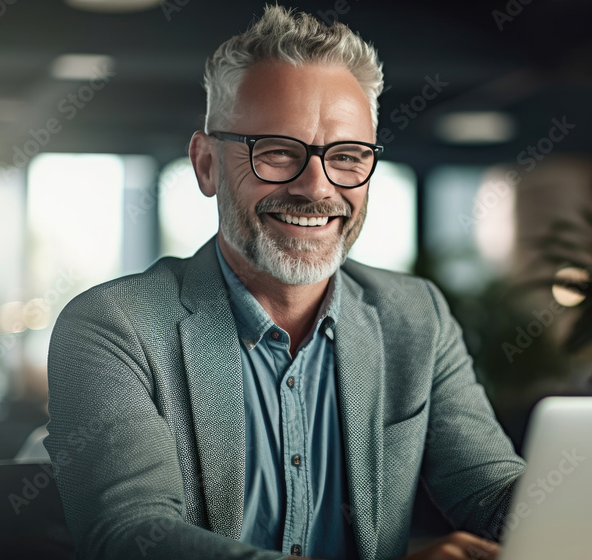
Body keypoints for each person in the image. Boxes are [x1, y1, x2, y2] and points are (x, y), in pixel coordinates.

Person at [42, 5, 526, 560]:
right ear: (206, 165)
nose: (317, 188)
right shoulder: (113, 328)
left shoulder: (416, 315)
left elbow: (491, 495)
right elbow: (130, 538)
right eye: (276, 152)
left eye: (346, 157)